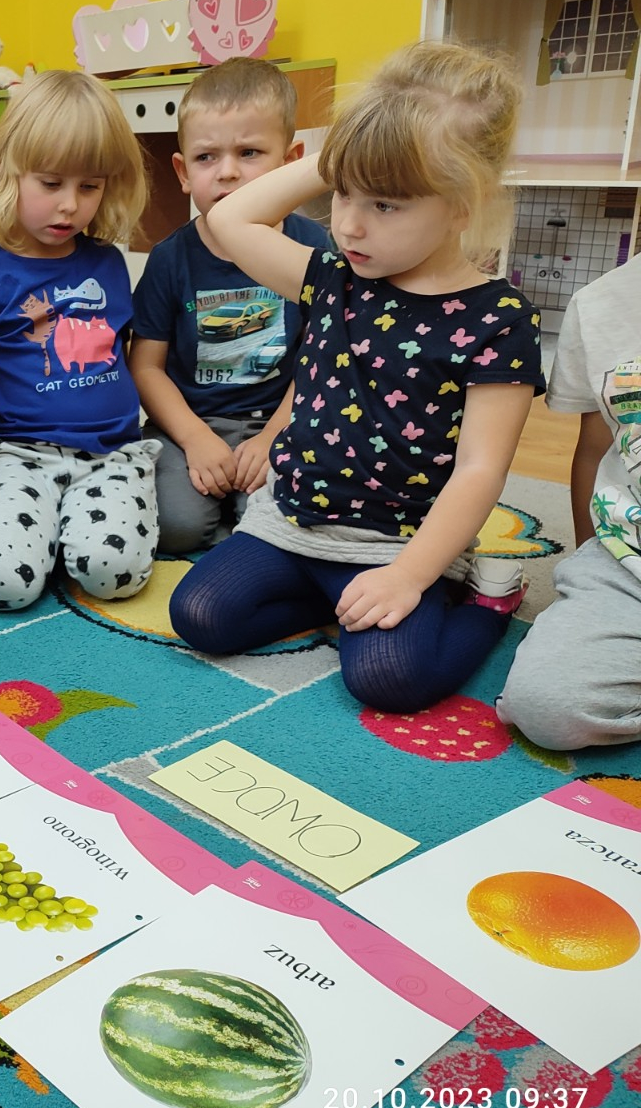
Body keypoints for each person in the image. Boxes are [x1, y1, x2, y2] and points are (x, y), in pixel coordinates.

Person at [169, 41, 541, 714]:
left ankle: (489, 602)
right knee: (198, 615)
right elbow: (227, 217)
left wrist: (409, 576)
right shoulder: (332, 278)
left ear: (464, 202)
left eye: (386, 204)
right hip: (293, 522)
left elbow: (480, 471)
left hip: (401, 542)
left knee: (387, 680)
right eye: (343, 192)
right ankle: (336, 605)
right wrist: (346, 150)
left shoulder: (500, 318)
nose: (348, 223)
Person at [0, 70, 161, 612]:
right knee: (2, 588)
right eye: (51, 183)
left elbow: (120, 353)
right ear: (10, 171)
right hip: (19, 453)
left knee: (115, 574)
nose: (69, 206)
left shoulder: (108, 263)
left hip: (111, 453)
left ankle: (66, 527)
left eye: (89, 186)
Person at [130, 57, 328, 553]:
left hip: (285, 420)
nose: (228, 173)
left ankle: (245, 521)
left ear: (291, 162)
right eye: (206, 158)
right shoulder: (170, 259)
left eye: (249, 152)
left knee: (289, 514)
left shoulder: (315, 249)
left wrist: (272, 437)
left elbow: (323, 358)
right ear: (182, 171)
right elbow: (146, 367)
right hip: (188, 425)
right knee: (175, 527)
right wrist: (195, 439)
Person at [497, 256, 641, 749]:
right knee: (545, 706)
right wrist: (585, 565)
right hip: (628, 564)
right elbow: (594, 449)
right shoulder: (602, 304)